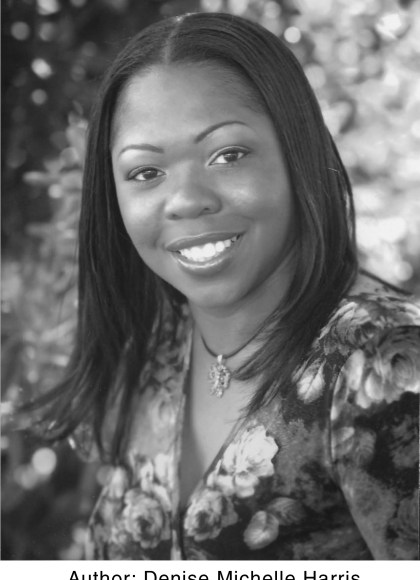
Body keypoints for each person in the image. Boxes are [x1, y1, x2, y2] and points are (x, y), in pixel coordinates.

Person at [37, 12, 419, 560]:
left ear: (297, 153)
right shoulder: (156, 346)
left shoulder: (385, 364)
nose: (187, 200)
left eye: (228, 155)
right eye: (146, 172)